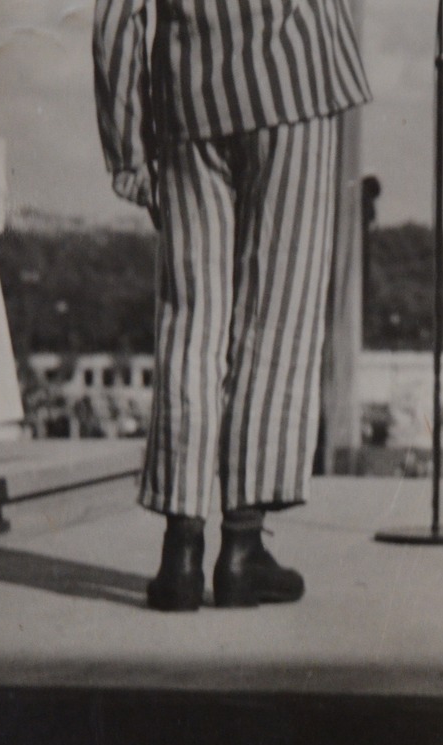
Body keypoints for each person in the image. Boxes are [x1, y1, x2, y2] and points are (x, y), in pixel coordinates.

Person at [94, 0, 371, 612]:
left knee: (189, 320)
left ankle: (180, 555)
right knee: (278, 314)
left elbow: (116, 16)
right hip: (294, 82)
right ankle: (242, 548)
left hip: (189, 97)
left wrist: (130, 150)